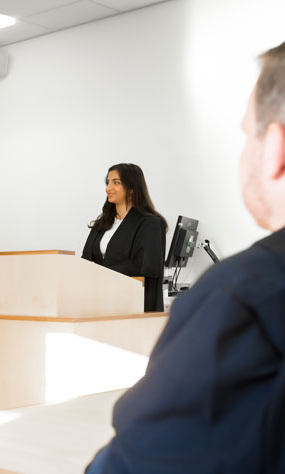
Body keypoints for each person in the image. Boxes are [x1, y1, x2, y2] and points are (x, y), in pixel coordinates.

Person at [87, 42, 285, 473]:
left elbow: (136, 460)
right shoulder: (102, 223)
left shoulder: (239, 298)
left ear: (275, 148)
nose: (108, 188)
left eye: (246, 134)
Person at [81, 163, 167, 311]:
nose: (108, 188)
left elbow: (146, 266)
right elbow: (86, 260)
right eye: (108, 182)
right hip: (99, 300)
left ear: (132, 188)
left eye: (116, 182)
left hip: (132, 302)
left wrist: (102, 272)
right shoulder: (102, 223)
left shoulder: (150, 223)